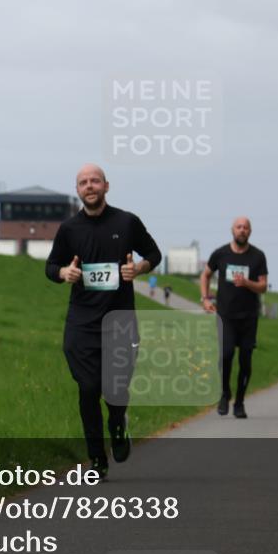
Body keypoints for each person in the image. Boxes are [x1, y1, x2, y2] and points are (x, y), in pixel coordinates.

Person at [46, 164, 162, 478]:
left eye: (95, 180)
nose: (90, 186)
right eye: (83, 182)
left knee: (116, 389)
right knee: (87, 388)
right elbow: (51, 266)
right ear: (78, 190)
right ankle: (97, 458)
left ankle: (117, 423)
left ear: (106, 186)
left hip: (120, 321)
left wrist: (138, 269)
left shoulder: (127, 222)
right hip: (82, 323)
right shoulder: (69, 229)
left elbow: (154, 253)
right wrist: (63, 273)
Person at [200, 217, 268, 419]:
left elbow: (263, 286)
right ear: (232, 230)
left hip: (249, 316)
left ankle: (239, 402)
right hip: (226, 315)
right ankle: (224, 393)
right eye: (239, 227)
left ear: (250, 231)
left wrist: (248, 283)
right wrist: (205, 298)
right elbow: (205, 275)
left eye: (246, 228)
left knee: (245, 360)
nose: (242, 230)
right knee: (226, 355)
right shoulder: (221, 253)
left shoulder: (257, 256)